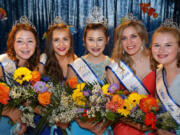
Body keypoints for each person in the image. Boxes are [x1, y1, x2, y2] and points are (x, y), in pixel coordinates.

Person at [106, 14, 155, 135]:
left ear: (142, 37)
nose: (129, 42)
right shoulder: (115, 68)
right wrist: (138, 124)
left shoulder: (158, 60)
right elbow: (114, 108)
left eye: (134, 36)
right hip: (126, 124)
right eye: (124, 38)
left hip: (154, 123)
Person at [67, 7, 113, 135]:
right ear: (84, 40)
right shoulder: (75, 65)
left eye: (100, 39)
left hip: (104, 126)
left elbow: (117, 99)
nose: (95, 45)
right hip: (80, 126)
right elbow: (67, 100)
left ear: (107, 40)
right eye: (91, 39)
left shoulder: (113, 65)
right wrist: (83, 122)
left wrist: (105, 123)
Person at [0, 16, 40, 135]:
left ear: (36, 44)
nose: (25, 46)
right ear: (12, 43)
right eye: (19, 41)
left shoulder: (34, 69)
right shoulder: (3, 63)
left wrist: (25, 121)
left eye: (30, 41)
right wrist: (8, 111)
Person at [151, 19, 180, 135]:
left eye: (168, 45)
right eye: (157, 45)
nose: (161, 50)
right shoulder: (158, 72)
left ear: (178, 48)